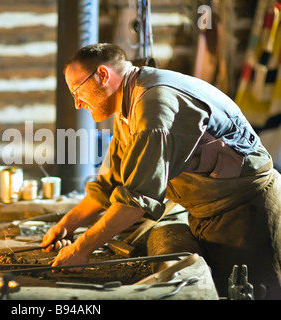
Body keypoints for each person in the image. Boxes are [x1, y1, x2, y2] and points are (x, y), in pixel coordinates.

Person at [40, 43, 281, 299]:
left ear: (103, 74)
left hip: (247, 213)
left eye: (77, 90)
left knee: (258, 293)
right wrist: (69, 223)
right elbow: (110, 182)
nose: (77, 103)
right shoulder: (128, 106)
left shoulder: (154, 106)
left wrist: (82, 248)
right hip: (209, 214)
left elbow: (137, 201)